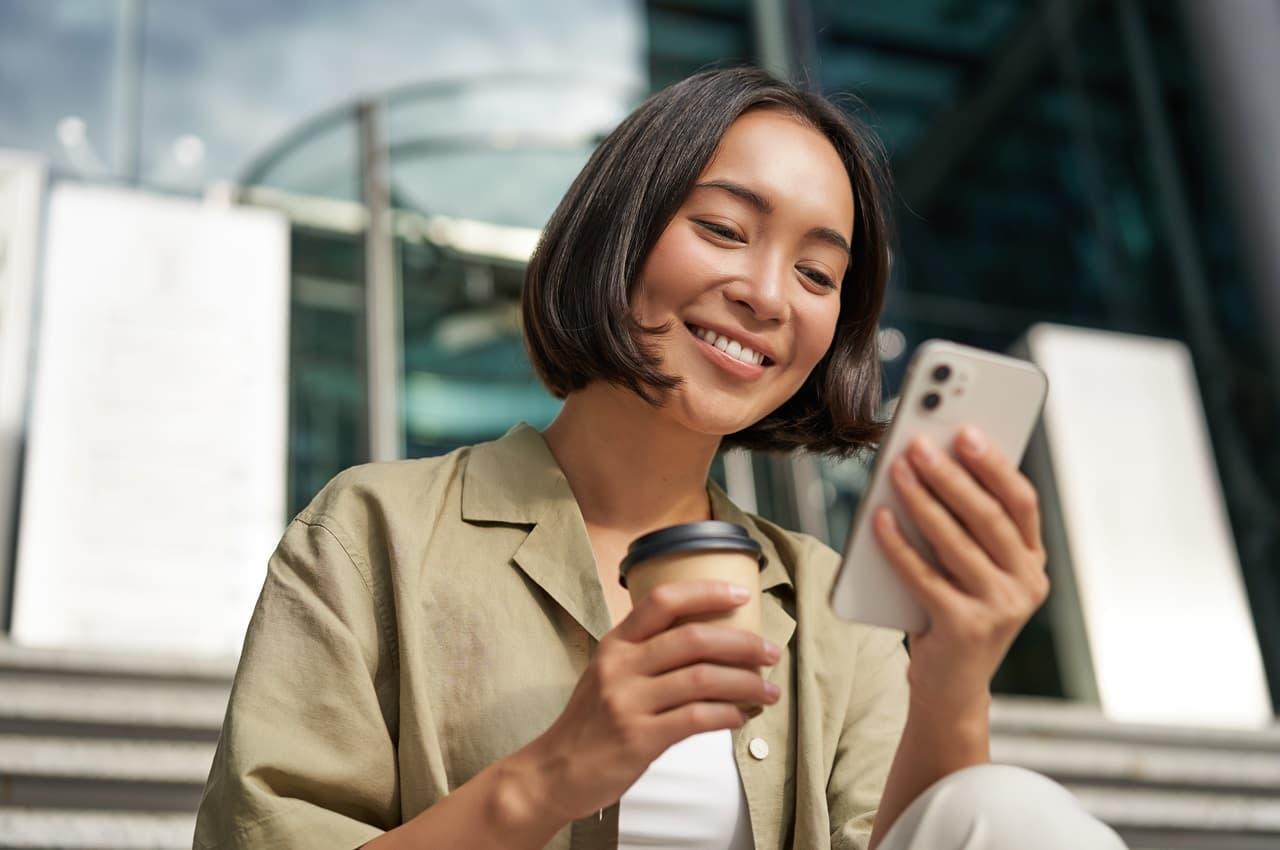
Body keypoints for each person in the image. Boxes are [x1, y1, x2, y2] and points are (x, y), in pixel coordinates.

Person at [193, 67, 1128, 850]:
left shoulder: (837, 608)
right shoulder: (373, 534)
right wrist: (550, 777)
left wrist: (954, 678)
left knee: (1011, 812)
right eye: (723, 229)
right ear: (619, 230)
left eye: (816, 274)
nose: (766, 295)